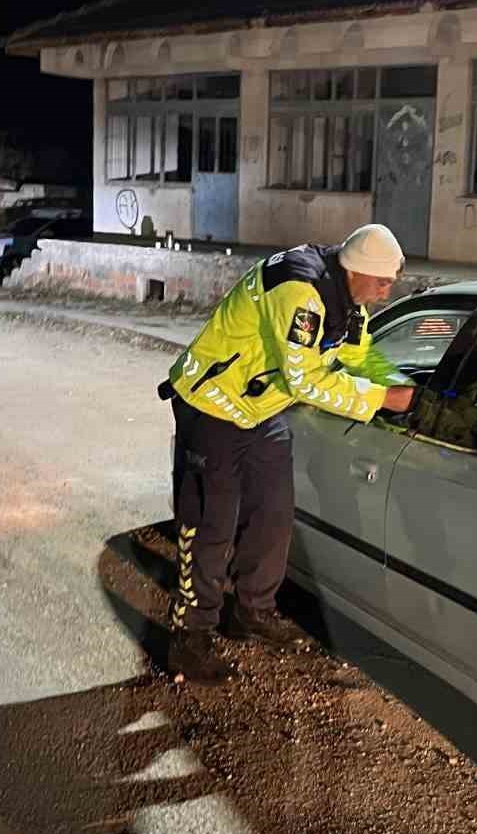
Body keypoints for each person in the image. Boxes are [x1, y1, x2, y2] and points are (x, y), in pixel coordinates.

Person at [155, 224, 416, 681]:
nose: (386, 291)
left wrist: (393, 380)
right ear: (357, 270)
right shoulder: (301, 293)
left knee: (274, 513)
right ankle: (189, 636)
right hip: (211, 402)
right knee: (212, 523)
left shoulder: (349, 298)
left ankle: (252, 613)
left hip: (259, 409)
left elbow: (357, 353)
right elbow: (306, 381)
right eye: (382, 282)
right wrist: (378, 400)